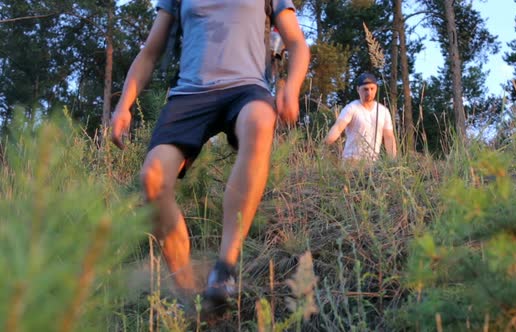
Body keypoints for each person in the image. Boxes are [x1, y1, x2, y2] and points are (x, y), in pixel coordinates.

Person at [109, 0, 309, 311]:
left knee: (260, 121)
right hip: (189, 95)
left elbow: (296, 42)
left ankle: (223, 270)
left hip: (246, 88)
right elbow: (150, 51)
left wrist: (291, 87)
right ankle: (190, 294)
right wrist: (124, 104)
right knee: (152, 179)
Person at [325, 72, 397, 162]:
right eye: (365, 89)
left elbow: (389, 137)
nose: (369, 92)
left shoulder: (383, 111)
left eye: (372, 88)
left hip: (373, 163)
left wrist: (393, 160)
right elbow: (338, 128)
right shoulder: (351, 108)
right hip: (351, 160)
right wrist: (324, 145)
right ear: (358, 89)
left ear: (376, 89)